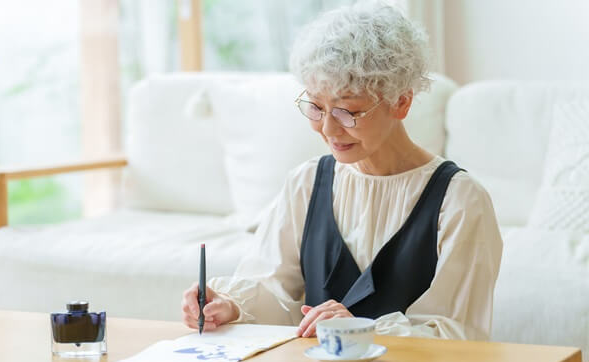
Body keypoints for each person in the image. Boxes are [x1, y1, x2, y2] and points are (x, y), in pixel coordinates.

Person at [181, 0, 502, 341]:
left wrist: (363, 330)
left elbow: (457, 333)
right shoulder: (306, 183)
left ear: (401, 102)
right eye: (316, 107)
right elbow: (276, 291)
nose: (329, 131)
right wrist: (230, 305)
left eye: (348, 112)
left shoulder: (460, 202)